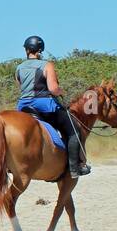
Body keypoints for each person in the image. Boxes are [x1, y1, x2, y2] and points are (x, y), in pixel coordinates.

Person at [16, 35, 90, 178]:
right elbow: (53, 89)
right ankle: (75, 168)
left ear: (26, 50)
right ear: (40, 50)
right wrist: (61, 91)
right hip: (44, 105)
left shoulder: (18, 68)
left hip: (23, 106)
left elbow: (21, 88)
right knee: (73, 129)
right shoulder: (47, 65)